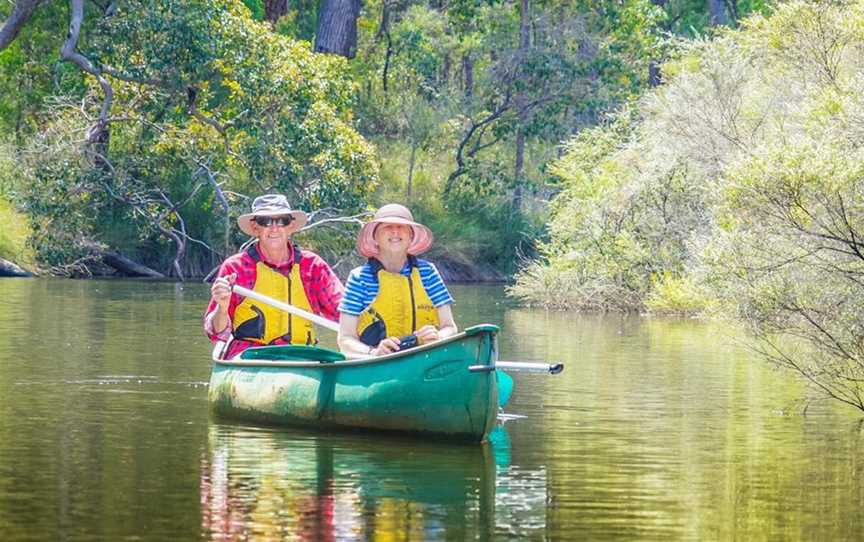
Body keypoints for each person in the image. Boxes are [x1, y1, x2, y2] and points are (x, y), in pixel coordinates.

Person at [205, 194, 343, 359]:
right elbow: (216, 333)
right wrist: (222, 307)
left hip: (302, 357)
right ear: (256, 228)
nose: (274, 228)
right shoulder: (235, 268)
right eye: (266, 222)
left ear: (290, 226)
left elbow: (343, 311)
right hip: (250, 357)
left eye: (282, 221)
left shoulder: (313, 266)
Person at [337, 203, 457, 357]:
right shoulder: (359, 278)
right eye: (387, 227)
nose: (395, 231)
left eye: (402, 227)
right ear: (375, 237)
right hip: (378, 366)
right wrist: (374, 352)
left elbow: (450, 327)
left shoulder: (428, 272)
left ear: (410, 236)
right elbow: (345, 340)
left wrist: (438, 337)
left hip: (424, 360)